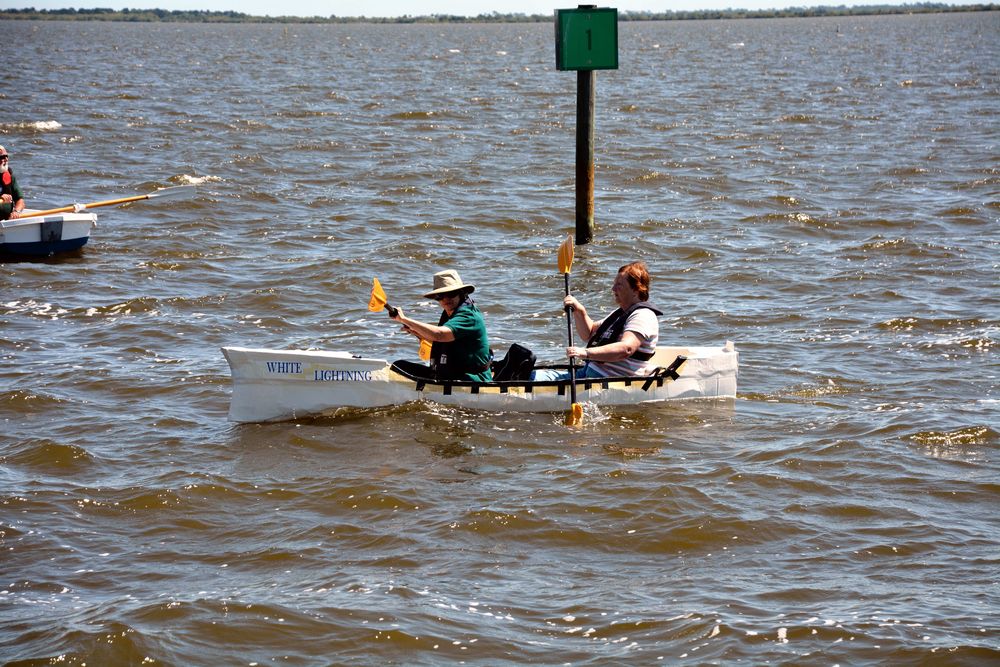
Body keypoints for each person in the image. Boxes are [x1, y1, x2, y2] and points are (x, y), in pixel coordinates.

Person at [532, 261, 661, 381]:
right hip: (588, 374)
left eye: (619, 285)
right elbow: (588, 334)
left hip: (609, 381)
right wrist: (580, 311)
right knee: (528, 375)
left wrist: (585, 353)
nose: (613, 289)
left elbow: (626, 348)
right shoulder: (621, 313)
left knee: (531, 379)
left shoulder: (643, 315)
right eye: (614, 284)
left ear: (636, 289)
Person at [389, 269, 493, 382]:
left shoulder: (468, 316)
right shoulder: (450, 312)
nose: (446, 299)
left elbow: (439, 334)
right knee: (399, 366)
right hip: (450, 374)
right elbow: (443, 340)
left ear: (462, 293)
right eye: (441, 295)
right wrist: (416, 332)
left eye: (451, 294)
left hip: (472, 380)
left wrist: (403, 319)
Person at [0, 146, 26, 220]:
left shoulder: (9, 176)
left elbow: (20, 200)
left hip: (6, 219)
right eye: (2, 157)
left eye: (6, 156)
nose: (6, 159)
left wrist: (16, 211)